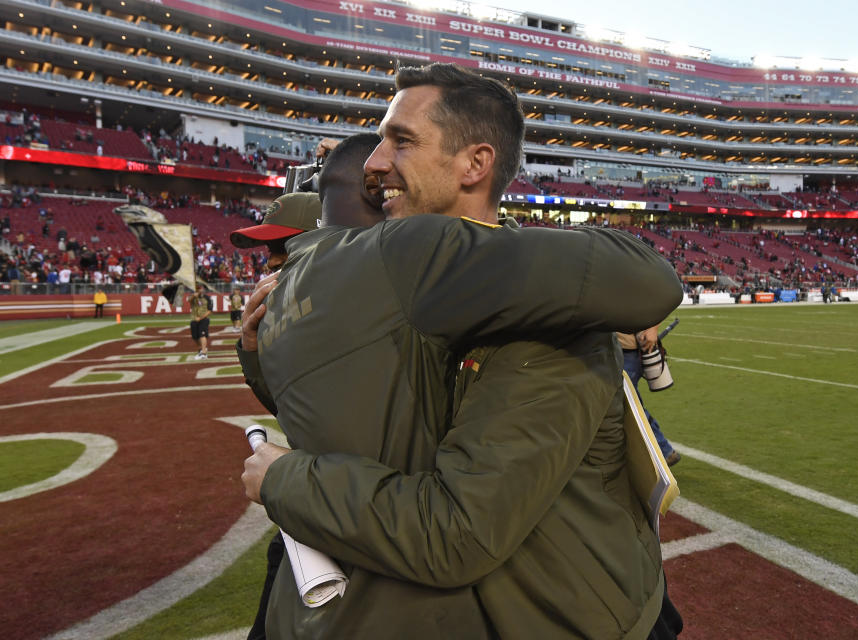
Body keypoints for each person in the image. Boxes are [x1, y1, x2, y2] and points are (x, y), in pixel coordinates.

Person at [242, 63, 682, 639]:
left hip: (558, 613)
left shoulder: (539, 317)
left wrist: (286, 481)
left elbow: (458, 533)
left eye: (401, 140)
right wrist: (262, 354)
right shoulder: (391, 288)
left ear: (475, 163)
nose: (374, 164)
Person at [233, 133, 384, 640]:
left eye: (282, 252)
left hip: (355, 517)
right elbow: (289, 404)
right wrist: (253, 348)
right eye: (268, 255)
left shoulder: (364, 305)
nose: (271, 267)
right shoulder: (300, 309)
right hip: (310, 512)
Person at [617, 326, 681, 466]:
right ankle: (664, 451)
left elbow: (656, 303)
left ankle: (664, 450)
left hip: (627, 351)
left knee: (628, 407)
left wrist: (652, 329)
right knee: (629, 405)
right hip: (612, 349)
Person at [187, 284, 213, 359]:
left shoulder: (207, 298)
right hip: (194, 319)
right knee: (195, 337)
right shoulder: (193, 297)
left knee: (202, 335)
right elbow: (189, 301)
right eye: (198, 289)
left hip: (204, 319)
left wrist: (201, 318)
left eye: (201, 289)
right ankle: (201, 348)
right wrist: (193, 296)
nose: (200, 290)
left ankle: (204, 353)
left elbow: (210, 310)